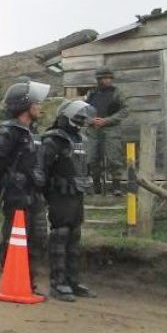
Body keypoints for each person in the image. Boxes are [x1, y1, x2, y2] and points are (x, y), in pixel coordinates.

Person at [0, 80, 50, 293]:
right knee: (16, 239)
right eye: (36, 103)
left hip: (34, 194)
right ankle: (13, 280)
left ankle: (27, 281)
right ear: (25, 105)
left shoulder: (33, 131)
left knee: (36, 238)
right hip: (17, 194)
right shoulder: (9, 131)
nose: (40, 106)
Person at [34, 100, 97, 302]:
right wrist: (42, 193)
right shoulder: (53, 139)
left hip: (76, 194)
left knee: (74, 235)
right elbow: (40, 168)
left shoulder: (79, 138)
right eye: (78, 117)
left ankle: (72, 280)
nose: (81, 121)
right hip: (59, 194)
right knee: (60, 235)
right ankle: (58, 283)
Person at [84, 67, 129, 195]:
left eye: (109, 78)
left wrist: (107, 120)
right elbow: (84, 110)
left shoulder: (117, 93)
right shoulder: (91, 94)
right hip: (93, 130)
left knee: (114, 158)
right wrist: (92, 120)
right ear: (99, 79)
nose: (107, 80)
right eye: (104, 78)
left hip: (111, 129)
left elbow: (125, 110)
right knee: (91, 158)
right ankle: (96, 186)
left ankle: (116, 186)